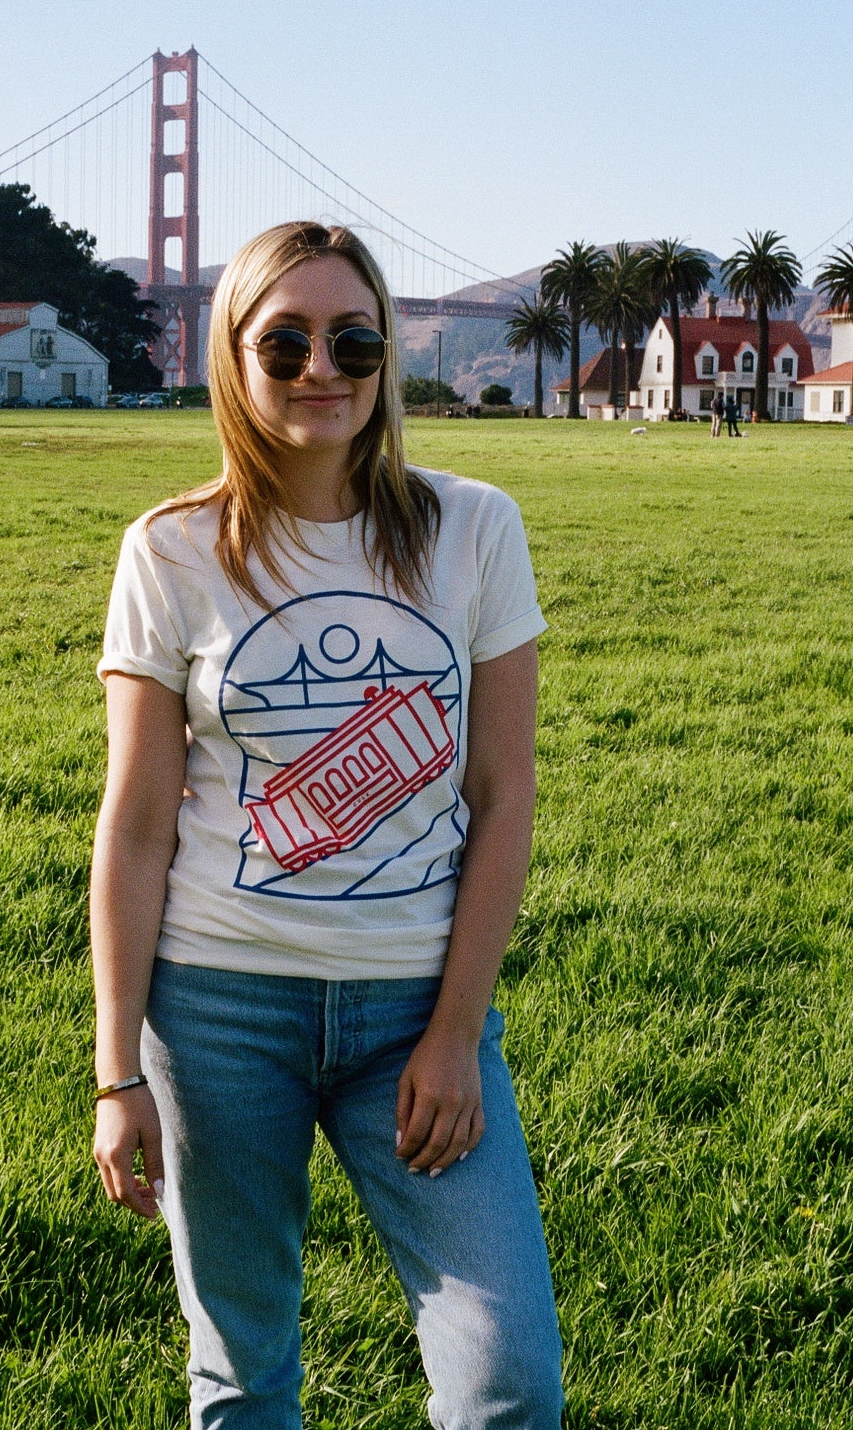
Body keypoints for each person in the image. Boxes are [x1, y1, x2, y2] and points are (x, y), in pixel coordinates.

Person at [91, 221, 563, 1429]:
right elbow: (137, 824)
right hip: (217, 1012)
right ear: (232, 360)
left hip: (412, 1007)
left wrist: (455, 1032)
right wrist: (116, 1070)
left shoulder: (474, 527)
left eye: (353, 338)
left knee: (506, 1375)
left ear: (388, 353)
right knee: (242, 1375)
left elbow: (501, 795)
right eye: (284, 340)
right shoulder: (172, 548)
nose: (321, 367)